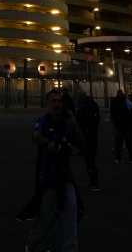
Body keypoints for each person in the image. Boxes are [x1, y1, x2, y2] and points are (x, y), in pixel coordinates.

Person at [23, 89, 82, 251]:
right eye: (53, 101)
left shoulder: (68, 122)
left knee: (70, 213)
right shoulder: (43, 121)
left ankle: (67, 247)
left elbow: (80, 144)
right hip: (48, 176)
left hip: (65, 176)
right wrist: (49, 143)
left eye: (59, 101)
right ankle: (34, 244)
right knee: (46, 215)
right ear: (48, 104)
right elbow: (36, 136)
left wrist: (73, 125)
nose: (57, 104)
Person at [74, 89, 100, 192]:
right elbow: (97, 119)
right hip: (92, 136)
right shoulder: (94, 105)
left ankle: (94, 182)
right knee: (91, 160)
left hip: (86, 136)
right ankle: (94, 181)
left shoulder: (82, 108)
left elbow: (78, 121)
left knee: (89, 160)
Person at [109, 89, 132, 163]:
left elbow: (112, 112)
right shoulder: (126, 101)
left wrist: (114, 120)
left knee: (120, 143)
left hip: (121, 125)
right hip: (123, 125)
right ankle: (129, 157)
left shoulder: (117, 101)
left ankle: (119, 158)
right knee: (125, 143)